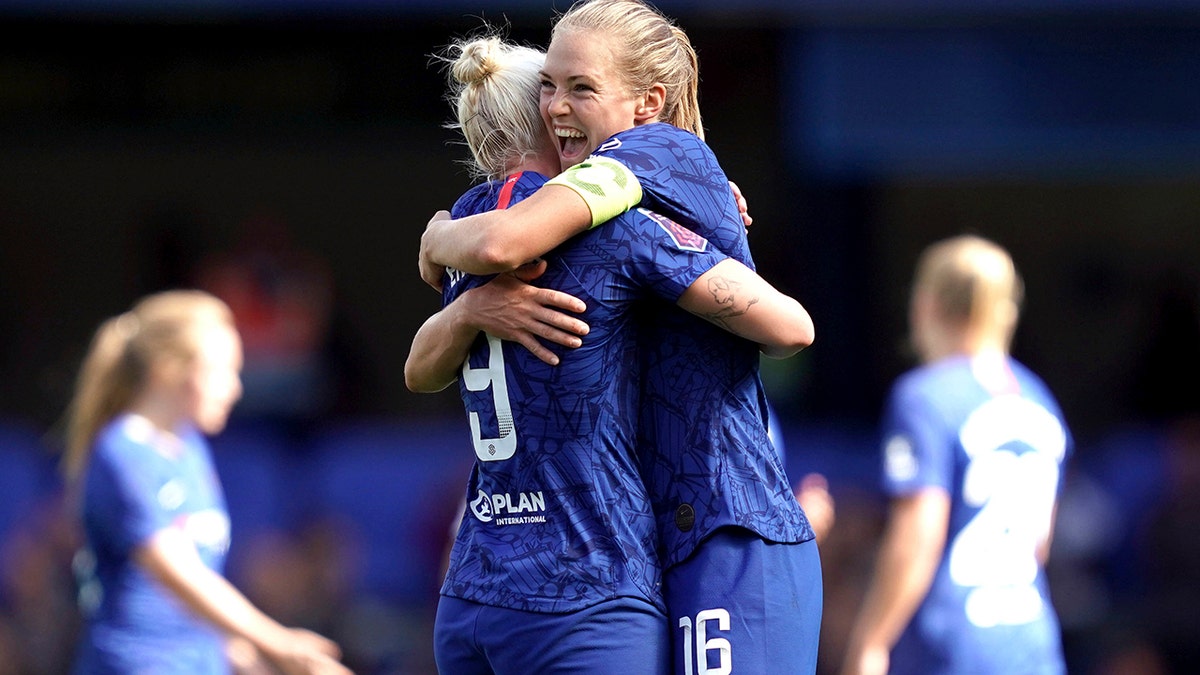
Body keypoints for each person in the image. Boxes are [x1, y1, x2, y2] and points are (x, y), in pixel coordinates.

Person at [416, 2, 823, 673]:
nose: (558, 106)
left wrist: (436, 242)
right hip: (655, 536)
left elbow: (793, 326)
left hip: (727, 518)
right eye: (548, 86)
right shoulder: (593, 213)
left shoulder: (635, 163)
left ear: (646, 104)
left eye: (580, 87)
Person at [60, 290, 352, 675]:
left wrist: (239, 652)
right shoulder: (123, 454)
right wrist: (277, 643)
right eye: (222, 371)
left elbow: (198, 593)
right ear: (169, 369)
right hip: (137, 663)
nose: (235, 388)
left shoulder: (190, 448)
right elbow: (179, 574)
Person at [840, 234, 1071, 675]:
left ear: (925, 304)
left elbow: (917, 535)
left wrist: (870, 643)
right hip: (1030, 640)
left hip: (951, 641)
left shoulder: (924, 397)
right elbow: (1039, 543)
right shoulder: (1040, 399)